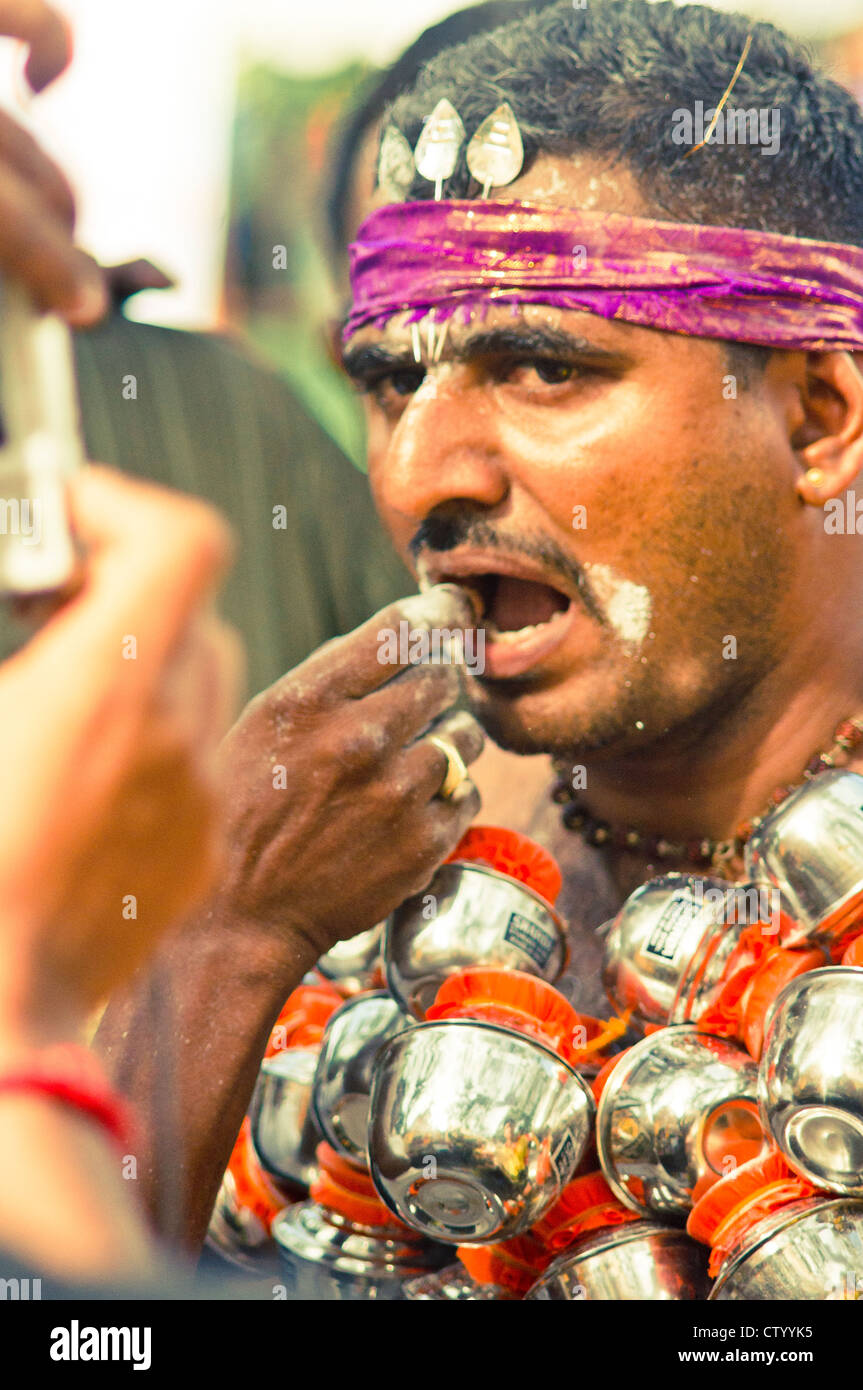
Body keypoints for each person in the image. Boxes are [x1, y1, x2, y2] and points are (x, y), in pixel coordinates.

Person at [100, 0, 863, 1263]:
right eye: (390, 383)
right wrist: (219, 948)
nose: (414, 476)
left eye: (541, 369)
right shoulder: (336, 867)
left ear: (817, 417)